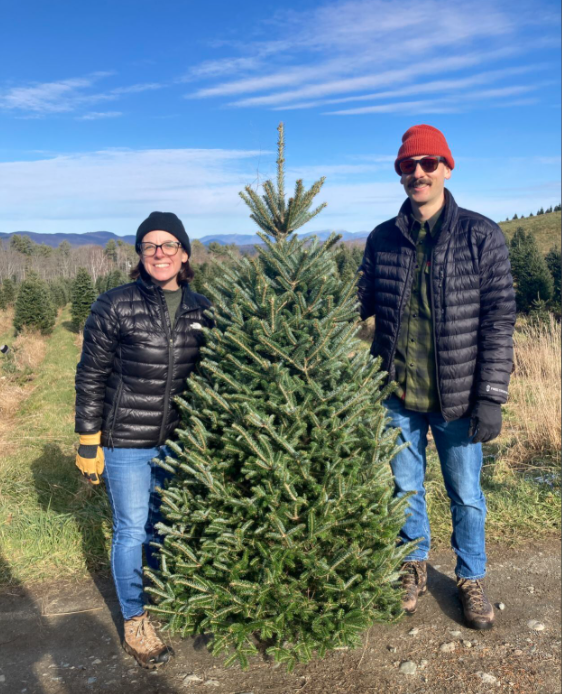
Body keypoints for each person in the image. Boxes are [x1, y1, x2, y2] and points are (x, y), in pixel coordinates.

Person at [358, 125, 516, 630]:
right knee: (405, 489)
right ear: (400, 174)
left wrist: (490, 395)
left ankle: (471, 577)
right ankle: (413, 563)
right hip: (397, 394)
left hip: (459, 396)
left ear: (447, 167)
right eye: (408, 165)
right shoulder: (383, 238)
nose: (418, 173)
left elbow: (498, 320)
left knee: (466, 493)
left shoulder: (480, 234)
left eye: (428, 163)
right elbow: (359, 305)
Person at [74, 212, 212, 667]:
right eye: (150, 245)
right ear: (139, 254)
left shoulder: (203, 309)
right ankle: (135, 618)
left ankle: (162, 592)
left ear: (184, 254)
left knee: (163, 524)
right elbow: (91, 375)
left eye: (169, 245)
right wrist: (87, 438)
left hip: (179, 441)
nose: (159, 253)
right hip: (126, 440)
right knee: (132, 528)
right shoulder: (114, 304)